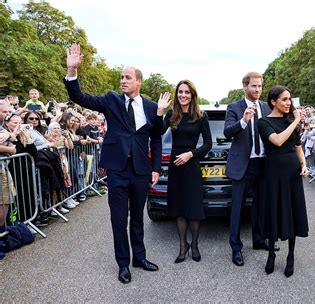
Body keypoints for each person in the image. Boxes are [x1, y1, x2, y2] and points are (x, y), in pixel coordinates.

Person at [64, 43, 163, 284]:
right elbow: (80, 97)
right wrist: (72, 72)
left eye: (127, 77)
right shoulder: (111, 100)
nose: (123, 81)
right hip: (117, 170)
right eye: (121, 77)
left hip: (141, 170)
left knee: (138, 218)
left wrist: (156, 168)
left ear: (139, 81)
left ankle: (140, 257)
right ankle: (123, 264)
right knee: (119, 218)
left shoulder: (151, 107)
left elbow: (157, 138)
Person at [224, 71, 278, 267]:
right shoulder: (234, 107)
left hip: (263, 163)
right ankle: (236, 248)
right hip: (242, 165)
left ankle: (258, 239)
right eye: (254, 86)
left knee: (261, 205)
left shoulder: (266, 106)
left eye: (260, 86)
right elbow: (227, 132)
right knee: (237, 208)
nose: (258, 89)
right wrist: (244, 121)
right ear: (245, 87)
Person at [156, 80, 212, 263]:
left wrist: (190, 154)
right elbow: (156, 133)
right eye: (180, 92)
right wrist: (160, 112)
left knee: (193, 208)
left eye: (187, 92)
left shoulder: (201, 116)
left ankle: (194, 245)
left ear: (192, 95)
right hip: (175, 166)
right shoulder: (172, 114)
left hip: (192, 164)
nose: (183, 95)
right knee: (179, 208)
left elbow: (208, 144)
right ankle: (183, 245)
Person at [257, 85, 309, 277]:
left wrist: (304, 165)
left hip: (292, 172)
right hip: (273, 173)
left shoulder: (290, 120)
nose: (289, 103)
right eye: (285, 99)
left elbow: (298, 148)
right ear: (273, 101)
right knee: (274, 211)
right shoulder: (263, 122)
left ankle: (291, 256)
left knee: (293, 212)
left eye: (290, 99)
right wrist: (295, 122)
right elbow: (278, 141)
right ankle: (271, 254)